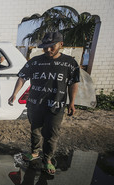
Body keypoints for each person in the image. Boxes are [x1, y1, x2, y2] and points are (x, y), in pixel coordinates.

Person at [8, 32, 80, 175]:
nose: (48, 50)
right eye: (45, 47)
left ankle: (47, 159)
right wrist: (14, 94)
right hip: (35, 104)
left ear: (61, 44)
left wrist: (72, 102)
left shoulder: (69, 63)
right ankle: (35, 152)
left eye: (51, 47)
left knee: (51, 134)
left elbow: (73, 83)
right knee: (35, 130)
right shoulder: (35, 61)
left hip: (56, 105)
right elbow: (22, 78)